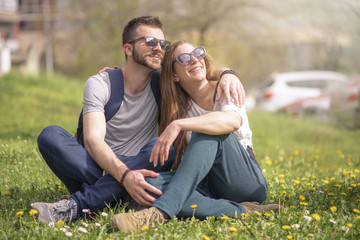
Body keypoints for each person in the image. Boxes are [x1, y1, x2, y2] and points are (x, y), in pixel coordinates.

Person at [31, 16, 245, 225]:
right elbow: (93, 142)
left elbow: (198, 70)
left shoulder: (163, 83)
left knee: (163, 149)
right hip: (96, 165)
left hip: (142, 165)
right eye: (150, 42)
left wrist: (228, 73)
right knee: (50, 135)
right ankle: (117, 193)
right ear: (128, 49)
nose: (158, 48)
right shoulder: (101, 84)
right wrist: (124, 177)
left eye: (162, 43)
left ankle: (81, 204)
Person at [112, 41, 284, 233]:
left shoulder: (226, 87)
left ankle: (159, 213)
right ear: (175, 75)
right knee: (148, 186)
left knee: (208, 129)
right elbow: (138, 78)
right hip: (207, 183)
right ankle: (243, 210)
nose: (195, 59)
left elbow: (232, 121)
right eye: (184, 58)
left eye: (198, 52)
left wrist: (179, 124)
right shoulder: (177, 106)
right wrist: (115, 77)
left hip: (243, 181)